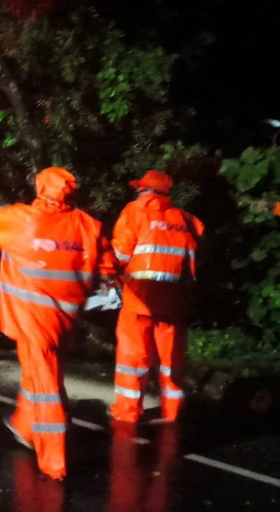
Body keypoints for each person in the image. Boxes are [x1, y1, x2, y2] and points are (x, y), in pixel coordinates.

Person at [0, 167, 115, 481]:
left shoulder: (23, 220)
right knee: (38, 372)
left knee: (46, 386)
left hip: (33, 317)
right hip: (66, 317)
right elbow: (110, 266)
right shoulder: (89, 226)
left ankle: (54, 459)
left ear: (41, 188)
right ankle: (24, 426)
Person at [109, 170, 204, 423]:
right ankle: (172, 411)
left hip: (139, 299)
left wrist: (110, 274)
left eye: (139, 188)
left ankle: (128, 412)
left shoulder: (134, 211)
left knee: (133, 357)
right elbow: (200, 237)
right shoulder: (183, 217)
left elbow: (120, 254)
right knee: (170, 358)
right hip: (174, 302)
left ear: (145, 190)